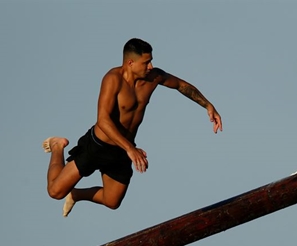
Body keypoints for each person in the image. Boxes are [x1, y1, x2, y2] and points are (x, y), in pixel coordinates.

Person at [42, 38, 222, 217]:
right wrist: (130, 149)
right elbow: (103, 120)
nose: (150, 66)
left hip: (122, 150)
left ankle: (77, 194)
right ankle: (58, 146)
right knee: (55, 192)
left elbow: (181, 86)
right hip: (98, 146)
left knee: (112, 201)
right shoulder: (113, 79)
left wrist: (207, 105)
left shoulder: (153, 78)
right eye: (146, 62)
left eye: (151, 61)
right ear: (130, 62)